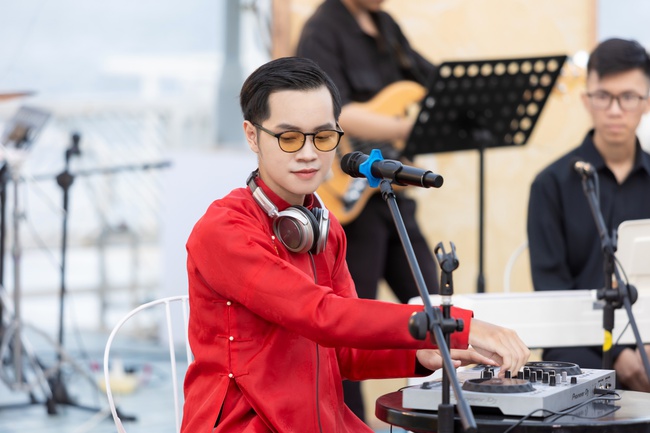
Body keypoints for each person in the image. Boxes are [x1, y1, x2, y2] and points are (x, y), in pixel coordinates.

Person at [181, 56, 530, 432]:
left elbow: (344, 354)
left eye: (323, 136)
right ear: (252, 135)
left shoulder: (326, 229)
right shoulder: (223, 229)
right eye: (289, 137)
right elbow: (321, 315)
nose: (309, 153)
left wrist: (422, 354)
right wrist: (453, 326)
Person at [296, 0, 440, 419]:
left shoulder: (387, 26)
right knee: (351, 324)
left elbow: (427, 81)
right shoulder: (322, 29)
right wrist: (405, 128)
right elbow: (335, 114)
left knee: (433, 304)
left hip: (389, 195)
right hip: (351, 202)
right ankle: (347, 421)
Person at [527, 38, 650, 392]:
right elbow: (551, 290)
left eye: (628, 97)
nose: (615, 110)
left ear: (645, 103)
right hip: (578, 344)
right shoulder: (549, 184)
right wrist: (620, 352)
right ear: (586, 100)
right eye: (603, 96)